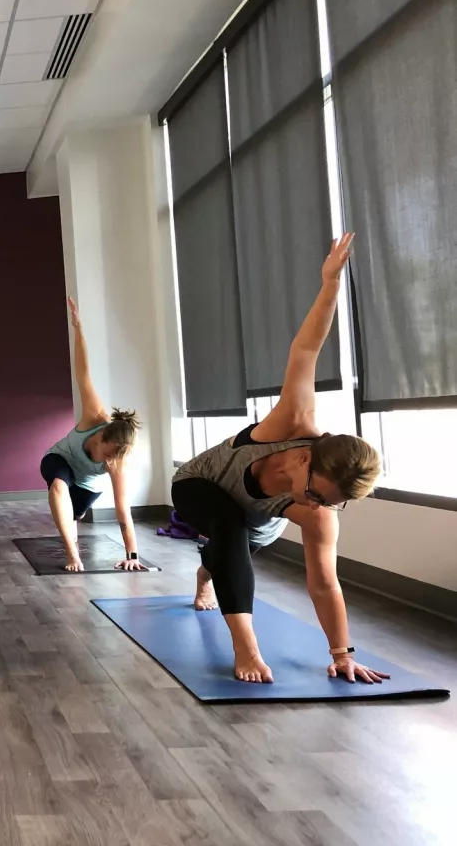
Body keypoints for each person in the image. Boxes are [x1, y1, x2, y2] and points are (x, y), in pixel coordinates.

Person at [172, 234, 388, 685]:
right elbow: (305, 351)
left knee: (224, 554)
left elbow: (325, 584)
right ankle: (246, 648)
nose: (313, 505)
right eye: (314, 493)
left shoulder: (319, 514)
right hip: (197, 485)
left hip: (252, 525)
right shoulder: (291, 422)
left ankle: (205, 575)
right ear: (306, 457)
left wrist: (343, 654)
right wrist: (329, 286)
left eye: (327, 503)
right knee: (227, 528)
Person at [40, 298, 146, 573]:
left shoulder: (117, 463)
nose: (110, 459)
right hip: (59, 458)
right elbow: (83, 374)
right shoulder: (95, 416)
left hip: (87, 485)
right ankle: (71, 550)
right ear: (101, 436)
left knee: (75, 512)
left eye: (115, 456)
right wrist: (78, 328)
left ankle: (75, 513)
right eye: (109, 452)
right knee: (57, 487)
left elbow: (123, 512)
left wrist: (132, 554)